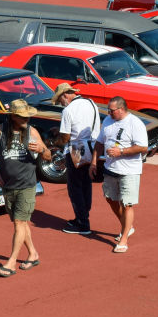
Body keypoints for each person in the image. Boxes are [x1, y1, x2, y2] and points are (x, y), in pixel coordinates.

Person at [0, 99, 49, 277]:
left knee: (19, 223)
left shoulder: (32, 132)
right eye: (23, 117)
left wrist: (42, 150)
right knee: (20, 223)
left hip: (27, 185)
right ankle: (33, 254)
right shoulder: (0, 131)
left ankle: (11, 262)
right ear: (13, 116)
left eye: (28, 116)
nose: (26, 119)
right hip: (8, 185)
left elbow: (49, 156)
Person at [89, 95, 148, 253]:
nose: (109, 112)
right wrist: (94, 162)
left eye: (112, 110)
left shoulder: (135, 124)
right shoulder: (108, 121)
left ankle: (124, 239)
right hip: (110, 168)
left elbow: (143, 147)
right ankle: (127, 226)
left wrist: (121, 151)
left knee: (127, 204)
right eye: (108, 110)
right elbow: (100, 142)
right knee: (110, 199)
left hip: (129, 171)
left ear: (121, 109)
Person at [54, 83, 100, 237]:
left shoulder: (68, 110)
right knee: (86, 183)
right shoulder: (91, 103)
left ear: (64, 95)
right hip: (92, 147)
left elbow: (66, 136)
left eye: (60, 100)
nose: (61, 103)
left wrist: (56, 141)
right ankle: (82, 216)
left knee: (75, 187)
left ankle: (82, 222)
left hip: (76, 149)